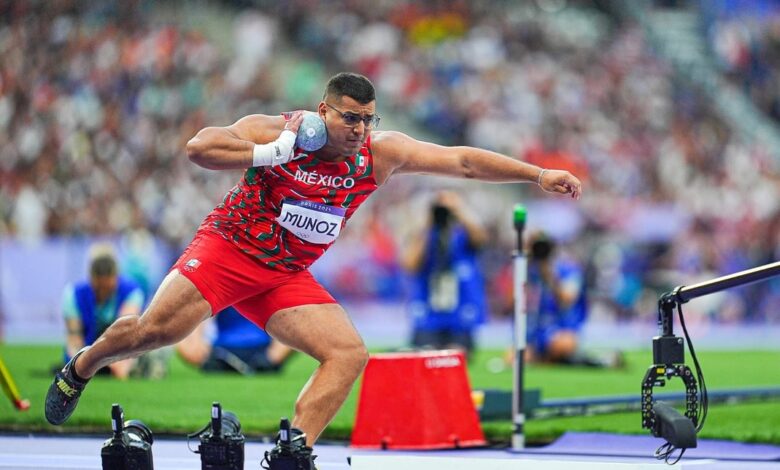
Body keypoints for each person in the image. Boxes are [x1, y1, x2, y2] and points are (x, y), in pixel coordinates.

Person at [45, 72, 581, 469]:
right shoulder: (279, 129)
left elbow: (461, 161)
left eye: (368, 119)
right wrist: (276, 150)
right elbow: (199, 148)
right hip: (228, 253)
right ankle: (81, 367)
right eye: (349, 117)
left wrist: (537, 174)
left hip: (284, 275)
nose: (359, 129)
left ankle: (292, 450)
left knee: (349, 352)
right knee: (153, 333)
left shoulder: (379, 154)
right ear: (323, 111)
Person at [402, 190, 488, 358]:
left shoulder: (463, 235)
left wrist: (459, 211)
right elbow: (410, 265)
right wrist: (428, 224)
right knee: (425, 355)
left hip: (459, 312)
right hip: (429, 313)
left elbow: (481, 240)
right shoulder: (424, 235)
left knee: (456, 355)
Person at [525, 231, 621, 367]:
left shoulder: (568, 269)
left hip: (562, 330)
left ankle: (596, 360)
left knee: (561, 346)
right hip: (537, 334)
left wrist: (549, 276)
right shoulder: (528, 271)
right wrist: (524, 262)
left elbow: (567, 299)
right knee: (514, 357)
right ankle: (595, 360)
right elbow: (511, 301)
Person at [61, 245, 145, 379]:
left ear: (116, 277)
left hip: (119, 353)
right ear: (91, 278)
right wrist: (78, 366)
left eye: (108, 287)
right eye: (99, 288)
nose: (103, 292)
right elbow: (74, 339)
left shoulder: (132, 292)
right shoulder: (73, 294)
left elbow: (125, 334)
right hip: (85, 351)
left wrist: (119, 365)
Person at [177, 306, 294, 374]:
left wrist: (273, 356)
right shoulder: (220, 279)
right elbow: (199, 316)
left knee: (296, 319)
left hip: (263, 349)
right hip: (221, 351)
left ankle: (269, 361)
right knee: (185, 321)